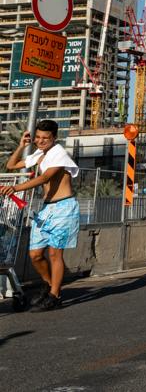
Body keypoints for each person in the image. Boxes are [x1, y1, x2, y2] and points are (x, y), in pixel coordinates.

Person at [0, 120, 80, 310]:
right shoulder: (39, 154)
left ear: (54, 138)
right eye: (38, 137)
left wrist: (15, 188)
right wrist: (22, 146)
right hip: (46, 209)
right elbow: (11, 165)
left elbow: (44, 178)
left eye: (45, 138)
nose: (40, 141)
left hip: (64, 208)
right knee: (35, 255)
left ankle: (55, 295)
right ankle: (49, 284)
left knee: (54, 253)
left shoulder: (59, 154)